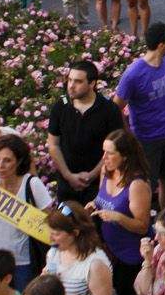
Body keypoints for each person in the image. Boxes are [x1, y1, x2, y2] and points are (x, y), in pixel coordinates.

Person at [89, 130, 154, 295]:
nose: (104, 158)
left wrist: (117, 217)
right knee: (122, 292)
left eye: (110, 153)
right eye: (103, 152)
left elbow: (142, 225)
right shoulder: (107, 173)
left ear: (124, 156)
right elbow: (101, 197)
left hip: (133, 254)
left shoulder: (136, 184)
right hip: (112, 251)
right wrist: (94, 205)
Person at [114, 22, 165, 209]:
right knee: (146, 186)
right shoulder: (133, 74)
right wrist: (128, 135)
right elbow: (116, 107)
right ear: (162, 45)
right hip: (147, 141)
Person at [47, 61, 124, 204]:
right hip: (67, 186)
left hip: (100, 184)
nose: (71, 85)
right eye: (70, 80)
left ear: (92, 83)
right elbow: (53, 144)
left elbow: (116, 148)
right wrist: (68, 175)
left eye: (78, 81)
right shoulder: (60, 107)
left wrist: (93, 175)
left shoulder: (109, 110)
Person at [0, 134, 54, 291]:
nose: (0, 165)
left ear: (19, 161)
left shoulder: (32, 184)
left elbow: (51, 221)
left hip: (22, 263)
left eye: (7, 160)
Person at [43, 206, 115, 295]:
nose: (51, 239)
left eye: (57, 234)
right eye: (51, 233)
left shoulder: (94, 265)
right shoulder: (53, 253)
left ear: (75, 233)